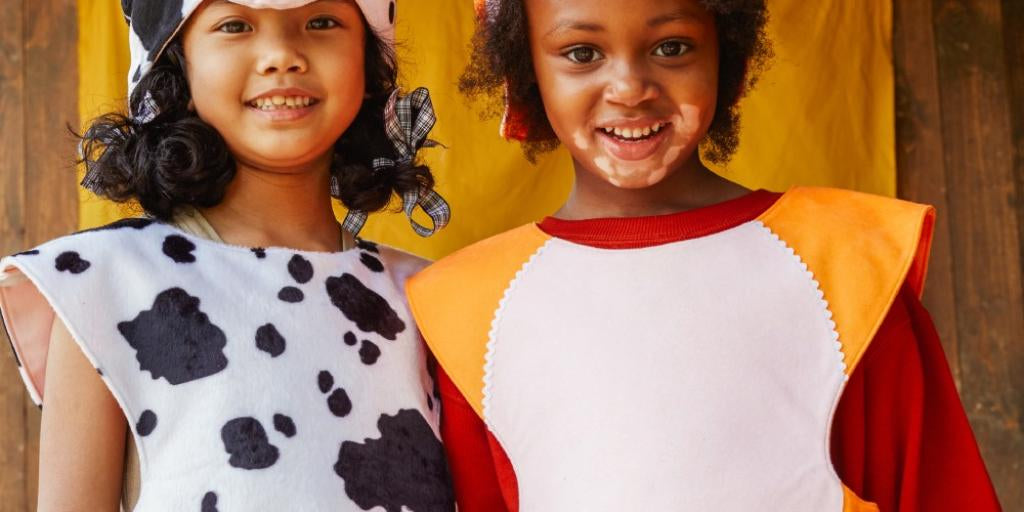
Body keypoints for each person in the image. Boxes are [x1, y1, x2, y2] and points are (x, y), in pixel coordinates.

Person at [404, 0, 1001, 510]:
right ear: (525, 70)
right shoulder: (471, 308)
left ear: (727, 55)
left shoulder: (844, 262)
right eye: (582, 53)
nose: (630, 88)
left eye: (671, 47)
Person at [0, 1, 454, 510]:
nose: (282, 55)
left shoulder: (433, 301)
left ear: (369, 63)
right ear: (173, 65)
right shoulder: (103, 286)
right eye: (235, 25)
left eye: (322, 21)